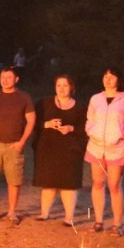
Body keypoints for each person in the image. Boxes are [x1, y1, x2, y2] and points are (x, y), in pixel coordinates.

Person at [84, 68, 124, 235]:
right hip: (96, 147)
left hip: (116, 148)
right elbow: (90, 119)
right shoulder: (96, 99)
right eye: (105, 76)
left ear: (118, 79)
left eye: (112, 76)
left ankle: (117, 224)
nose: (108, 79)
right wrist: (91, 132)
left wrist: (122, 134)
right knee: (97, 183)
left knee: (114, 185)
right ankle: (98, 221)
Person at [0, 66, 36, 224]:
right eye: (3, 77)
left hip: (14, 146)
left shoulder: (23, 97)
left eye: (9, 77)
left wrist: (22, 142)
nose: (5, 80)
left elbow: (31, 121)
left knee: (14, 181)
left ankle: (12, 212)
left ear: (16, 79)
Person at [32, 74, 87, 225]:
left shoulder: (80, 107)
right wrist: (47, 125)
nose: (61, 89)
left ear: (71, 88)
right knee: (49, 182)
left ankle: (69, 217)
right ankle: (44, 213)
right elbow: (32, 123)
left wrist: (71, 128)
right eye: (58, 85)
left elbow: (86, 128)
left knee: (68, 183)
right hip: (48, 148)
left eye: (65, 85)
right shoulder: (44, 103)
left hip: (71, 149)